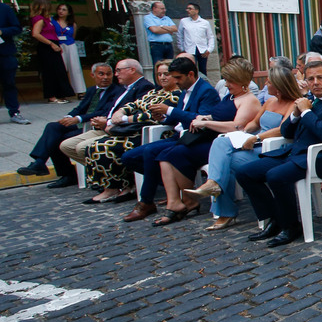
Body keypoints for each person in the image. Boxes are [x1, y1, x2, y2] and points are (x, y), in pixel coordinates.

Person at [237, 61, 322, 247]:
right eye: (310, 79)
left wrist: (306, 111)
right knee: (245, 172)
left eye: (320, 77)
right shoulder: (307, 100)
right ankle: (276, 219)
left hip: (319, 158)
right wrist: (295, 114)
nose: (315, 82)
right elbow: (286, 133)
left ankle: (291, 226)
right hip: (295, 154)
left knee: (276, 176)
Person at [186, 66, 304, 230]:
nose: (265, 84)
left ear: (278, 85)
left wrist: (257, 137)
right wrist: (243, 133)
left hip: (273, 148)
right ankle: (213, 183)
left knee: (224, 164)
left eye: (268, 81)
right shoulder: (269, 102)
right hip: (255, 144)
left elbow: (282, 129)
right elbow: (254, 123)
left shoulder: (293, 104)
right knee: (221, 145)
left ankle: (225, 210)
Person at [154, 59, 260, 225]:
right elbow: (220, 115)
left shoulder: (249, 100)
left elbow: (236, 126)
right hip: (215, 139)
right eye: (226, 79)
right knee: (165, 155)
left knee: (177, 154)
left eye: (230, 81)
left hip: (230, 143)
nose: (226, 84)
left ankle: (192, 199)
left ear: (242, 81)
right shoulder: (231, 96)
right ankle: (176, 201)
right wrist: (206, 117)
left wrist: (205, 123)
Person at [119, 56, 221, 222]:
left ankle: (146, 202)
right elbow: (178, 119)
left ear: (190, 74)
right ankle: (171, 189)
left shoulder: (206, 91)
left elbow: (202, 119)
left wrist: (170, 111)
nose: (175, 81)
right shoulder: (185, 91)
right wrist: (163, 118)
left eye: (178, 78)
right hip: (179, 136)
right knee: (129, 157)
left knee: (152, 152)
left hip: (194, 139)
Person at [82, 61, 178, 203]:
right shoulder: (155, 92)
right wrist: (121, 111)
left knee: (103, 147)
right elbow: (134, 104)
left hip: (151, 133)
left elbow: (153, 116)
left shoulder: (176, 94)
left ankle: (119, 187)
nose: (162, 77)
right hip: (133, 130)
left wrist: (125, 119)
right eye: (159, 74)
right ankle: (113, 187)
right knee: (93, 145)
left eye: (166, 74)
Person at [18, 62, 122, 186]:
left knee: (57, 139)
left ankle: (67, 175)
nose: (105, 77)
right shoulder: (91, 90)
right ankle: (40, 162)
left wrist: (78, 118)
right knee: (52, 127)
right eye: (101, 74)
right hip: (81, 123)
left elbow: (104, 112)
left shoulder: (117, 91)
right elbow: (80, 108)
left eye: (108, 74)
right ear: (93, 75)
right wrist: (68, 117)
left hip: (94, 126)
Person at [60, 59, 154, 170]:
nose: (116, 74)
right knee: (66, 146)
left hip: (121, 130)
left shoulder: (144, 87)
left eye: (118, 70)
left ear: (132, 70)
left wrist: (108, 122)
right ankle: (102, 170)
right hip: (106, 127)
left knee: (82, 148)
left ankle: (109, 175)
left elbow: (137, 113)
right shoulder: (125, 87)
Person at [29, 0, 74, 103]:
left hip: (53, 45)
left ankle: (60, 94)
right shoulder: (39, 19)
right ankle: (52, 95)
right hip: (47, 46)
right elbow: (35, 34)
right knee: (50, 71)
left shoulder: (47, 19)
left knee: (59, 70)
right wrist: (51, 44)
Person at [0, 1, 26, 124]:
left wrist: (2, 31)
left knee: (9, 83)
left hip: (5, 53)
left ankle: (15, 112)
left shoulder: (5, 9)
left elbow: (17, 28)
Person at [53, 4, 85, 97]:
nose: (61, 11)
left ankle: (80, 91)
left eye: (64, 10)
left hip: (70, 45)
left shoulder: (72, 24)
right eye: (59, 9)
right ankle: (61, 91)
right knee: (60, 69)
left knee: (75, 68)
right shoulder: (53, 22)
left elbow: (73, 36)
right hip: (58, 45)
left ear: (69, 12)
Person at [177, 3, 217, 75]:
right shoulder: (184, 21)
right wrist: (182, 48)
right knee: (191, 69)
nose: (188, 10)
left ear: (196, 11)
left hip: (202, 49)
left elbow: (210, 36)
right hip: (189, 49)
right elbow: (180, 35)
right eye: (187, 9)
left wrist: (209, 49)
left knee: (203, 69)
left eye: (190, 9)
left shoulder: (205, 23)